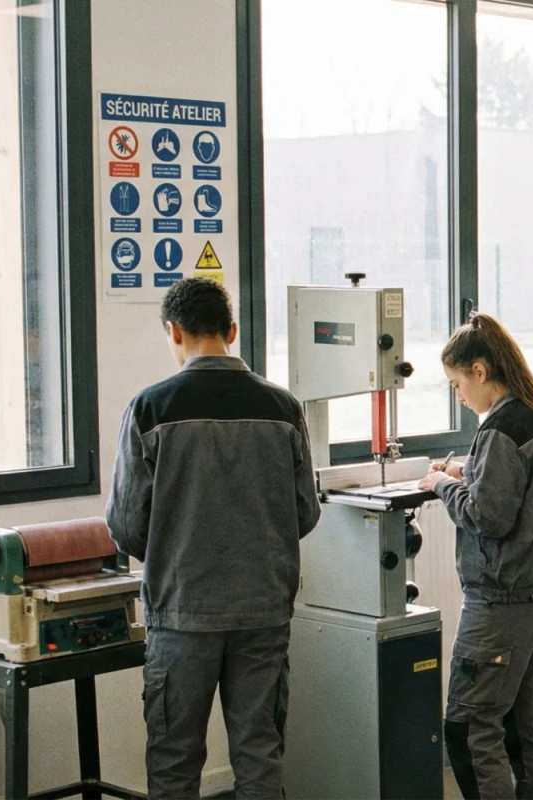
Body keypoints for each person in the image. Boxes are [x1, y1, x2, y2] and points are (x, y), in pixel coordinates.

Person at [105, 277, 321, 798]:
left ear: (173, 331)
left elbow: (127, 524)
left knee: (175, 761)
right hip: (263, 611)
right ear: (232, 330)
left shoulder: (149, 409)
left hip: (182, 615)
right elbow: (305, 513)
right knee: (259, 755)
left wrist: (175, 548)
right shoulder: (284, 408)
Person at [418, 313, 533, 799]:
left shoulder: (501, 428)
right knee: (529, 718)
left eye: (457, 384)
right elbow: (518, 491)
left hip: (503, 599)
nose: (458, 396)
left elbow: (489, 518)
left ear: (480, 371)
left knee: (469, 725)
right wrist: (471, 470)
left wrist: (443, 484)